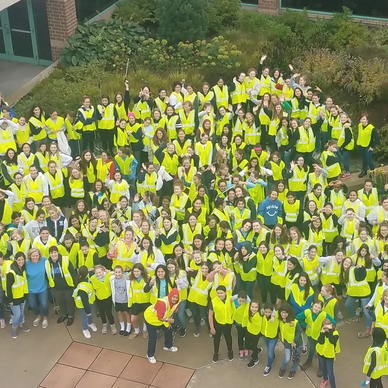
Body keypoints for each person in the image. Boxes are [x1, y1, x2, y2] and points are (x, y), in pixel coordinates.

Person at [144, 288, 180, 364]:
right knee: (153, 337)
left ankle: (168, 346)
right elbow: (160, 318)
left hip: (163, 319)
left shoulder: (176, 303)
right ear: (170, 296)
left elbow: (172, 312)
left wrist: (169, 321)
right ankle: (150, 355)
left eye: (176, 297)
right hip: (150, 319)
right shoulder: (162, 303)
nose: (175, 299)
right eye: (173, 297)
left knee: (169, 329)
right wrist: (168, 320)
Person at [45, 246, 76, 326]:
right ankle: (64, 315)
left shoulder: (65, 259)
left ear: (58, 252)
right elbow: (47, 274)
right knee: (60, 302)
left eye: (55, 252)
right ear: (49, 254)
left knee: (69, 302)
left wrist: (75, 284)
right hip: (55, 288)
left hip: (67, 286)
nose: (53, 254)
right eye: (52, 253)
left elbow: (72, 272)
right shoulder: (47, 262)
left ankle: (70, 316)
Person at [5, 252, 29, 339]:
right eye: (19, 260)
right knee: (17, 314)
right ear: (15, 260)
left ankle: (21, 325)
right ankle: (14, 329)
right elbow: (8, 288)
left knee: (22, 312)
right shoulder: (11, 273)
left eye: (22, 259)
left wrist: (26, 294)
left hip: (22, 296)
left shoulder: (23, 270)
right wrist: (10, 300)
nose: (21, 261)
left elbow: (24, 283)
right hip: (14, 299)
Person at [209, 285, 235, 363]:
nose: (220, 295)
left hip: (228, 323)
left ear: (225, 293)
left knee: (228, 337)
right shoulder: (213, 301)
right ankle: (216, 353)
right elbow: (210, 315)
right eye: (218, 293)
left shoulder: (231, 299)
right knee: (217, 338)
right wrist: (212, 327)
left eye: (221, 293)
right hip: (218, 322)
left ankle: (230, 351)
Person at [90, 264, 117, 335]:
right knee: (101, 313)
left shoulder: (108, 275)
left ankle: (112, 325)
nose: (98, 274)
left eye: (100, 272)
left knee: (108, 313)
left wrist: (109, 271)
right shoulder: (92, 278)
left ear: (103, 271)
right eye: (97, 273)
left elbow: (116, 272)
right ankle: (104, 325)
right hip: (99, 298)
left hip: (108, 297)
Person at [26, 248, 49, 329]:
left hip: (42, 287)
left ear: (39, 255)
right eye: (33, 256)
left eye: (37, 255)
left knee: (44, 304)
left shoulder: (44, 260)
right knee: (32, 305)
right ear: (30, 256)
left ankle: (45, 318)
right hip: (30, 289)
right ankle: (39, 316)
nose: (35, 257)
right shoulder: (26, 264)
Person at [73, 265, 97, 338]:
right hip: (82, 304)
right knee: (85, 316)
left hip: (90, 301)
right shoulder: (82, 287)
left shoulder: (87, 277)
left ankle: (90, 323)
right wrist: (87, 311)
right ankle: (85, 329)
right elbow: (84, 301)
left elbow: (92, 273)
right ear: (86, 273)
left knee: (91, 314)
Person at [316, 319, 340, 388]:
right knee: (323, 368)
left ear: (331, 326)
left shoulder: (335, 333)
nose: (326, 329)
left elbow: (332, 340)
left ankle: (333, 386)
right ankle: (325, 379)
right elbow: (320, 342)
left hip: (329, 355)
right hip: (321, 353)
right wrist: (322, 333)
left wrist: (330, 331)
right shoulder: (322, 332)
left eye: (328, 327)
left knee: (330, 372)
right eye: (325, 327)